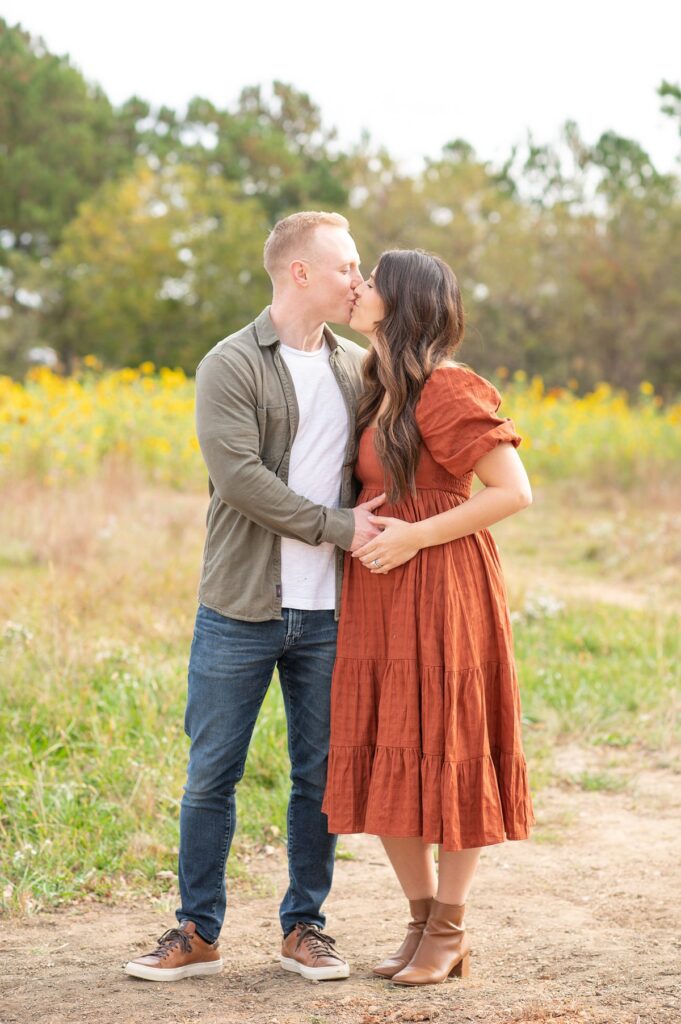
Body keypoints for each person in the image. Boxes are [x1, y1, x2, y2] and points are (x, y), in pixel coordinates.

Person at [125, 211, 385, 983]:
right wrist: (338, 527)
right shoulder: (229, 364)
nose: (356, 280)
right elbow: (240, 482)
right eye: (345, 267)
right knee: (212, 775)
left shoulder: (358, 367)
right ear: (298, 272)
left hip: (331, 612)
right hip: (240, 606)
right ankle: (197, 931)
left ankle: (304, 926)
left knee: (320, 774)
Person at [322, 249, 535, 986]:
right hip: (379, 596)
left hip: (442, 587)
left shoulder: (447, 387)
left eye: (370, 282)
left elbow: (511, 492)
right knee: (385, 751)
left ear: (402, 301)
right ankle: (419, 925)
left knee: (448, 748)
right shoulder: (375, 386)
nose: (357, 289)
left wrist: (413, 535)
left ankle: (449, 928)